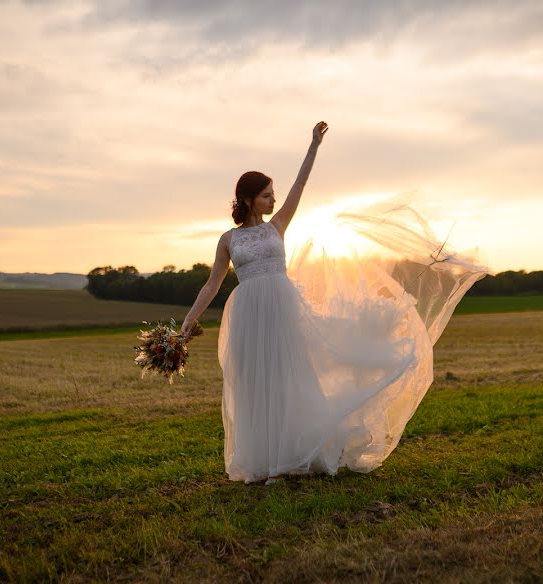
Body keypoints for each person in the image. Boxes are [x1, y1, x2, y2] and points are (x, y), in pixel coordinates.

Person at [182, 121, 491, 485]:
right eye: (266, 195)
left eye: (273, 194)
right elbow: (212, 283)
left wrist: (313, 146)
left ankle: (292, 456)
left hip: (281, 307)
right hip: (248, 312)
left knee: (288, 378)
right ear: (248, 199)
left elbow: (300, 185)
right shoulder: (228, 239)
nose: (274, 200)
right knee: (254, 384)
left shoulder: (276, 226)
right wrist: (188, 321)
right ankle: (263, 461)